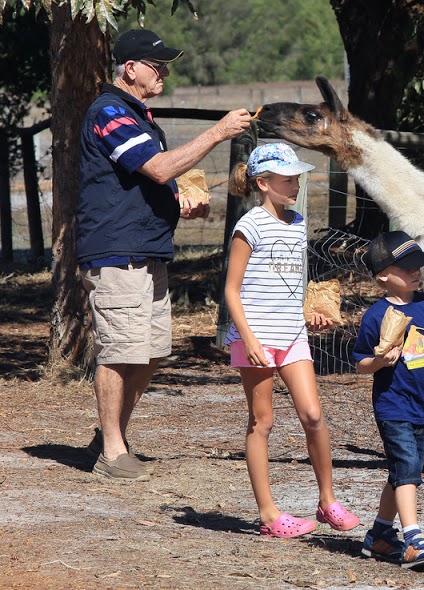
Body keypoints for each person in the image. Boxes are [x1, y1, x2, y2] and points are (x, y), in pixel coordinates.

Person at [79, 29, 252, 481]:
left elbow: (146, 180)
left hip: (147, 251)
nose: (166, 74)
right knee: (120, 352)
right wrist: (217, 132)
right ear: (130, 68)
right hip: (118, 252)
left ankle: (110, 435)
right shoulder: (110, 111)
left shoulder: (137, 115)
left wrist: (178, 200)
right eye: (157, 66)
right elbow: (157, 167)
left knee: (151, 352)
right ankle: (111, 452)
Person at [223, 143, 360, 538]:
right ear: (263, 183)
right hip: (255, 338)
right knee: (261, 422)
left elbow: (290, 285)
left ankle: (327, 502)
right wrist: (247, 338)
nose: (295, 185)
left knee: (313, 415)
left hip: (292, 334)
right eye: (287, 180)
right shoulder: (248, 226)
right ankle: (268, 515)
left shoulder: (298, 221)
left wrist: (309, 313)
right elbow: (231, 291)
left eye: (297, 178)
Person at [353, 230, 424, 570]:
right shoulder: (375, 316)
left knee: (401, 471)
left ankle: (380, 536)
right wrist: (380, 362)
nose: (417, 272)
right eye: (408, 268)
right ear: (384, 275)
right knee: (408, 470)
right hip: (393, 405)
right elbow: (361, 364)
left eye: (420, 266)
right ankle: (413, 537)